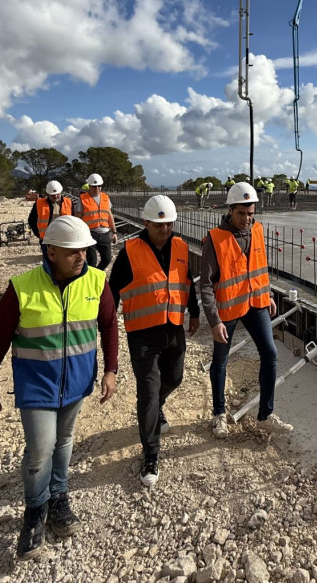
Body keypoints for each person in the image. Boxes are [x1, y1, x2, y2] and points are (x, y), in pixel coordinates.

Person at [0, 216, 119, 559]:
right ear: (50, 251)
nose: (81, 256)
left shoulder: (97, 282)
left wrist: (110, 370)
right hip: (36, 385)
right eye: (72, 251)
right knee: (41, 447)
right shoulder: (22, 287)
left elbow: (109, 325)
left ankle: (59, 498)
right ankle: (35, 511)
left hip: (78, 383)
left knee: (64, 441)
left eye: (84, 250)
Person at [110, 195, 199, 487]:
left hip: (174, 328)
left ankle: (157, 406)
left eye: (169, 223)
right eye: (159, 224)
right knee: (147, 391)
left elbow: (187, 283)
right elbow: (111, 292)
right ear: (146, 222)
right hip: (143, 334)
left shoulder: (182, 247)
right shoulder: (130, 251)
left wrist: (195, 313)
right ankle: (151, 453)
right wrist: (104, 325)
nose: (165, 229)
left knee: (174, 378)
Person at [200, 182, 292, 438]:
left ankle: (265, 415)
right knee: (220, 361)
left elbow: (260, 267)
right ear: (230, 210)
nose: (247, 219)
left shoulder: (258, 230)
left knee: (270, 354)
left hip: (256, 303)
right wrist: (214, 321)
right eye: (242, 213)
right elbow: (206, 286)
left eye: (251, 213)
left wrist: (269, 294)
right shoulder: (215, 239)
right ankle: (219, 414)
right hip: (227, 310)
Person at [77, 173, 116, 271]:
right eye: (94, 186)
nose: (97, 188)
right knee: (91, 261)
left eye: (99, 186)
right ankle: (91, 279)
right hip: (89, 234)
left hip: (104, 233)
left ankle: (96, 274)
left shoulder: (106, 198)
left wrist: (114, 232)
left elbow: (109, 215)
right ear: (89, 186)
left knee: (107, 259)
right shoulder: (82, 199)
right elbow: (78, 218)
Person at [28, 180, 74, 256]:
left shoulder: (69, 202)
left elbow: (73, 219)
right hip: (46, 238)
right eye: (52, 195)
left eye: (57, 194)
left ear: (61, 192)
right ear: (48, 194)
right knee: (49, 260)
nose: (55, 196)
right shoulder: (39, 204)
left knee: (63, 259)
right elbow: (31, 220)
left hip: (64, 237)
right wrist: (38, 234)